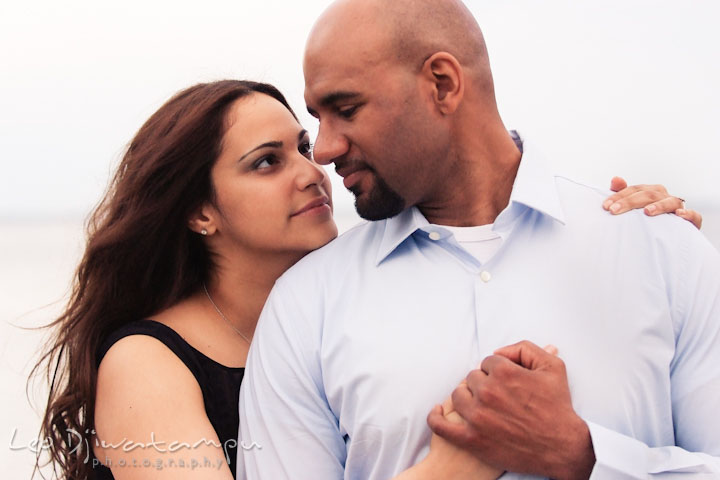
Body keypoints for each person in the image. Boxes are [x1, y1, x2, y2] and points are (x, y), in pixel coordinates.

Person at [34, 80, 631, 480]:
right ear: (199, 213)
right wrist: (458, 458)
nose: (312, 170)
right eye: (266, 162)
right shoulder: (145, 363)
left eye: (300, 147)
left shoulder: (343, 303)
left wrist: (627, 225)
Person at [237, 0, 720, 479]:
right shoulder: (304, 306)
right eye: (318, 118)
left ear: (442, 85)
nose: (323, 149)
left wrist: (583, 456)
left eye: (345, 109)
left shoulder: (666, 254)